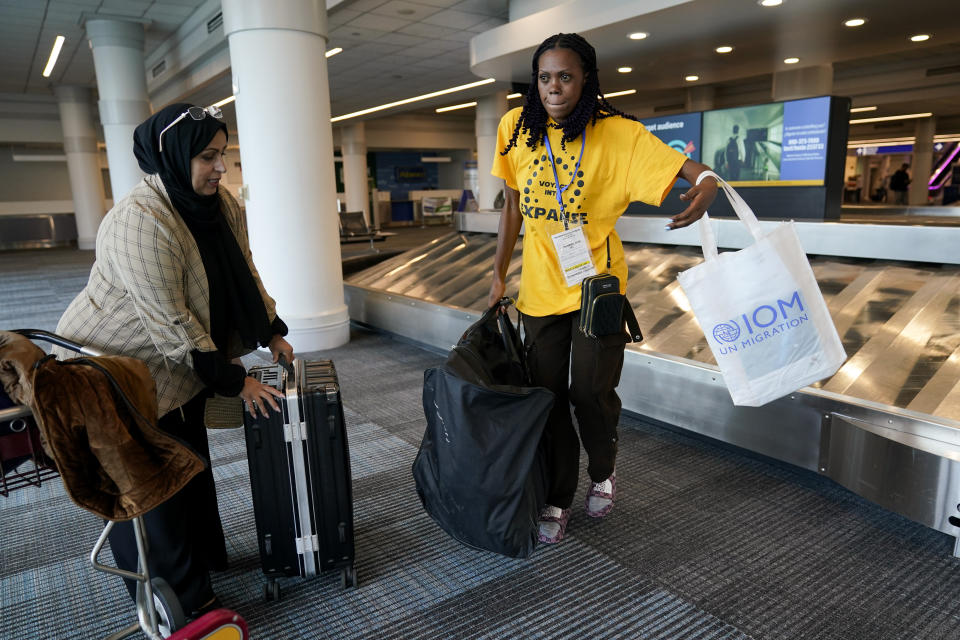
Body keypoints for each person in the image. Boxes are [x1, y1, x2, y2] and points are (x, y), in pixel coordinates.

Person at [54, 103, 293, 616]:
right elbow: (172, 322)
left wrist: (272, 329)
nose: (221, 167)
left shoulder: (218, 205)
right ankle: (180, 605)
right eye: (208, 156)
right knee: (151, 491)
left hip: (172, 369)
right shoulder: (139, 221)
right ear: (174, 156)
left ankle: (202, 563)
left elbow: (244, 271)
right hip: (111, 372)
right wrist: (237, 381)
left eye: (223, 154)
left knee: (190, 467)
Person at [486, 33, 718, 544]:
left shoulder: (619, 135)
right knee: (546, 399)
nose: (553, 88)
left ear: (586, 79)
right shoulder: (515, 128)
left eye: (565, 77)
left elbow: (691, 170)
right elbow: (512, 205)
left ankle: (603, 468)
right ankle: (557, 494)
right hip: (540, 292)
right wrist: (499, 271)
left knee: (589, 393)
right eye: (544, 77)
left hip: (598, 290)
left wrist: (707, 186)